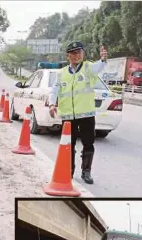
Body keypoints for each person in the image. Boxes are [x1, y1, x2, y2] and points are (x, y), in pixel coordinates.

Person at [48, 41, 107, 184]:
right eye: (73, 53)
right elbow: (55, 90)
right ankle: (69, 171)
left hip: (86, 115)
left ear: (83, 53)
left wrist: (103, 59)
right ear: (68, 56)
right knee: (69, 145)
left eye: (79, 52)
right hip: (68, 116)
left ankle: (86, 172)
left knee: (88, 144)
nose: (77, 55)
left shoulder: (88, 68)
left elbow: (98, 67)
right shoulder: (61, 73)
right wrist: (51, 104)